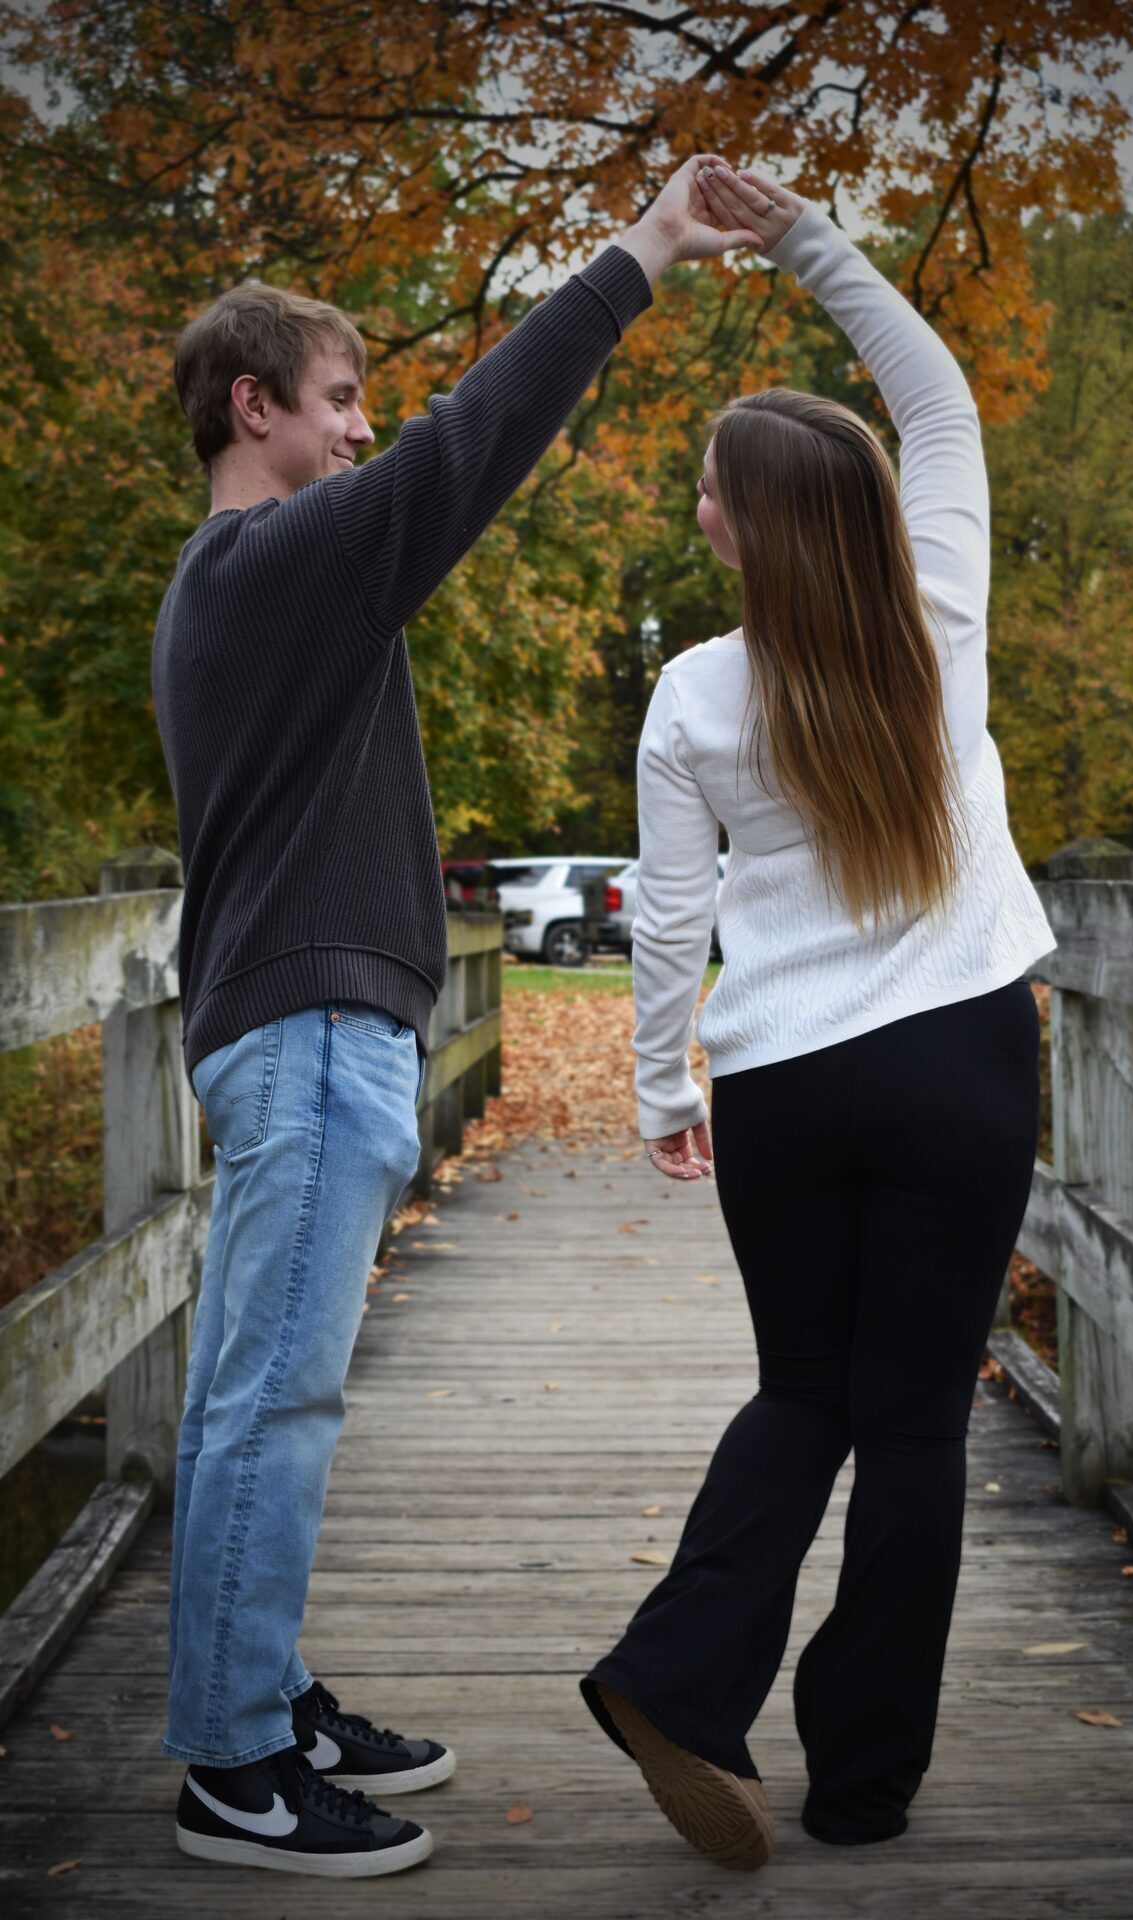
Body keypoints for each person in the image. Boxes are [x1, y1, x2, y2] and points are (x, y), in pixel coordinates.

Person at [151, 155, 766, 1881]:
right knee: (273, 1402)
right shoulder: (270, 562)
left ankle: (255, 1695)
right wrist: (642, 249)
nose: (365, 430)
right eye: (340, 402)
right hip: (309, 1035)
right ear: (256, 406)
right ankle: (232, 1769)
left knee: (258, 1397)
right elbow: (468, 447)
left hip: (309, 1029)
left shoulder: (249, 586)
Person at [581, 164, 1057, 1872]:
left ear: (741, 525)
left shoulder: (695, 692)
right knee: (916, 1425)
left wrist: (657, 1091)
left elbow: (675, 919)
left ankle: (678, 1679)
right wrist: (802, 239)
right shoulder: (939, 611)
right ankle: (862, 1791)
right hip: (959, 1063)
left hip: (787, 1082)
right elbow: (930, 391)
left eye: (709, 487)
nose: (700, 504)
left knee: (804, 1394)